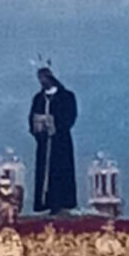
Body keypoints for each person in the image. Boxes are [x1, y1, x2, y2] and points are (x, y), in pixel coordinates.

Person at [29, 67, 78, 215]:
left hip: (60, 143)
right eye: (40, 79)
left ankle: (63, 202)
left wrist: (55, 123)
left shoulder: (66, 96)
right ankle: (45, 203)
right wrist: (38, 127)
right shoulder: (38, 98)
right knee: (44, 171)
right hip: (44, 143)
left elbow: (70, 117)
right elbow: (32, 118)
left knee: (61, 171)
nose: (42, 81)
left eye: (44, 78)